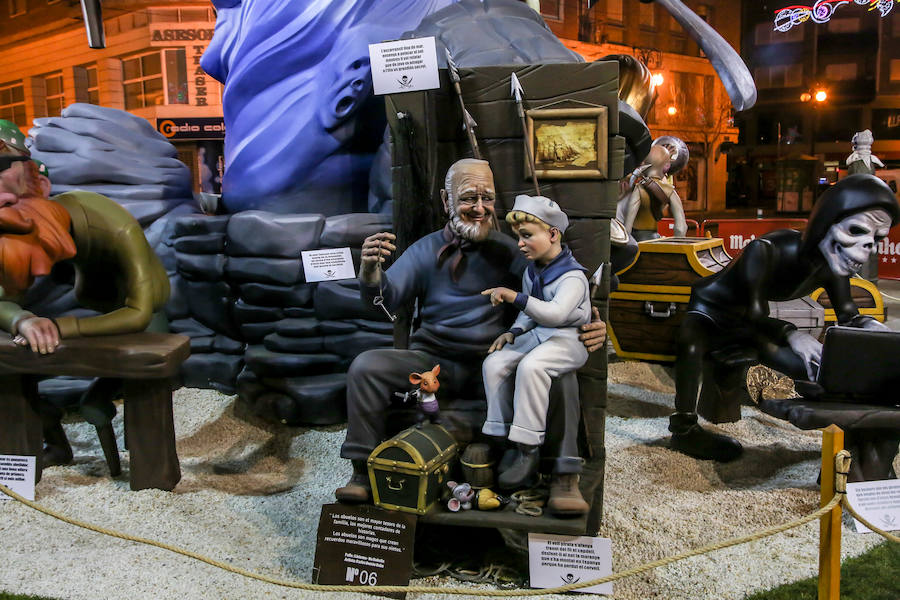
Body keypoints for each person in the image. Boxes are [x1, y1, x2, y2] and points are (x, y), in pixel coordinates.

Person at [335, 158, 607, 514]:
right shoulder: (424, 250)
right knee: (366, 366)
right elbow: (383, 301)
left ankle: (563, 476)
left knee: (559, 373)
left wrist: (591, 321)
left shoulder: (513, 251)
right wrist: (370, 270)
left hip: (494, 363)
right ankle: (361, 470)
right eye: (468, 198)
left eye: (487, 198)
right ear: (447, 202)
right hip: (432, 364)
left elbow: (558, 292)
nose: (479, 208)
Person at [669, 174, 899, 461]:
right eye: (856, 231)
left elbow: (848, 315)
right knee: (690, 345)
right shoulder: (766, 250)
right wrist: (794, 334)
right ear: (826, 222)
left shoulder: (830, 263)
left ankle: (852, 421)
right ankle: (684, 428)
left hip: (749, 325)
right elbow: (754, 314)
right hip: (710, 310)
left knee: (806, 366)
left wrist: (879, 334)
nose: (869, 247)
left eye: (877, 238)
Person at [0, 152, 170, 464]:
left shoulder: (116, 228)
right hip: (97, 303)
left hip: (142, 313)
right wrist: (23, 320)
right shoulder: (27, 226)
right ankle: (53, 440)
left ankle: (142, 465)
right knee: (14, 372)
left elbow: (140, 313)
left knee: (106, 400)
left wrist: (62, 327)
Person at [479, 194, 591, 512]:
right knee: (496, 362)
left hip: (567, 340)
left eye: (527, 236)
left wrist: (513, 296)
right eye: (519, 237)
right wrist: (513, 332)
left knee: (532, 367)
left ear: (553, 234)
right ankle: (502, 437)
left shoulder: (572, 277)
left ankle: (528, 447)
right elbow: (530, 314)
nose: (521, 244)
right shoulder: (533, 271)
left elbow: (555, 314)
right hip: (540, 334)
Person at [618, 143, 687, 241]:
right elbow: (680, 227)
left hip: (637, 238)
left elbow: (628, 224)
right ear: (666, 166)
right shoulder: (670, 191)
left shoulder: (639, 188)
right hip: (653, 238)